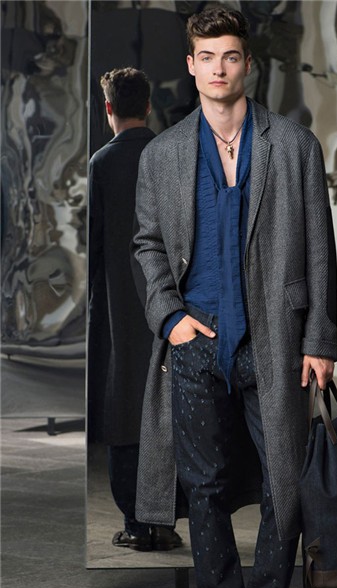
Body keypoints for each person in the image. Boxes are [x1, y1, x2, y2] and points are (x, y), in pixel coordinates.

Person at [133, 7, 337, 588]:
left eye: (230, 55)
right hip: (196, 344)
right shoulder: (162, 154)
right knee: (204, 488)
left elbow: (319, 248)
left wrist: (319, 339)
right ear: (191, 66)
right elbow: (147, 245)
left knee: (286, 485)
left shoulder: (294, 146)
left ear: (248, 63)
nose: (218, 68)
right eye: (206, 56)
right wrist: (169, 317)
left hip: (275, 342)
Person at [89, 67, 182, 552]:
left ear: (108, 108)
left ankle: (137, 523)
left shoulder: (102, 163)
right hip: (170, 304)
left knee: (124, 410)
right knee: (169, 410)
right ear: (148, 106)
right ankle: (166, 521)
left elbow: (93, 245)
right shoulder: (172, 155)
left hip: (118, 306)